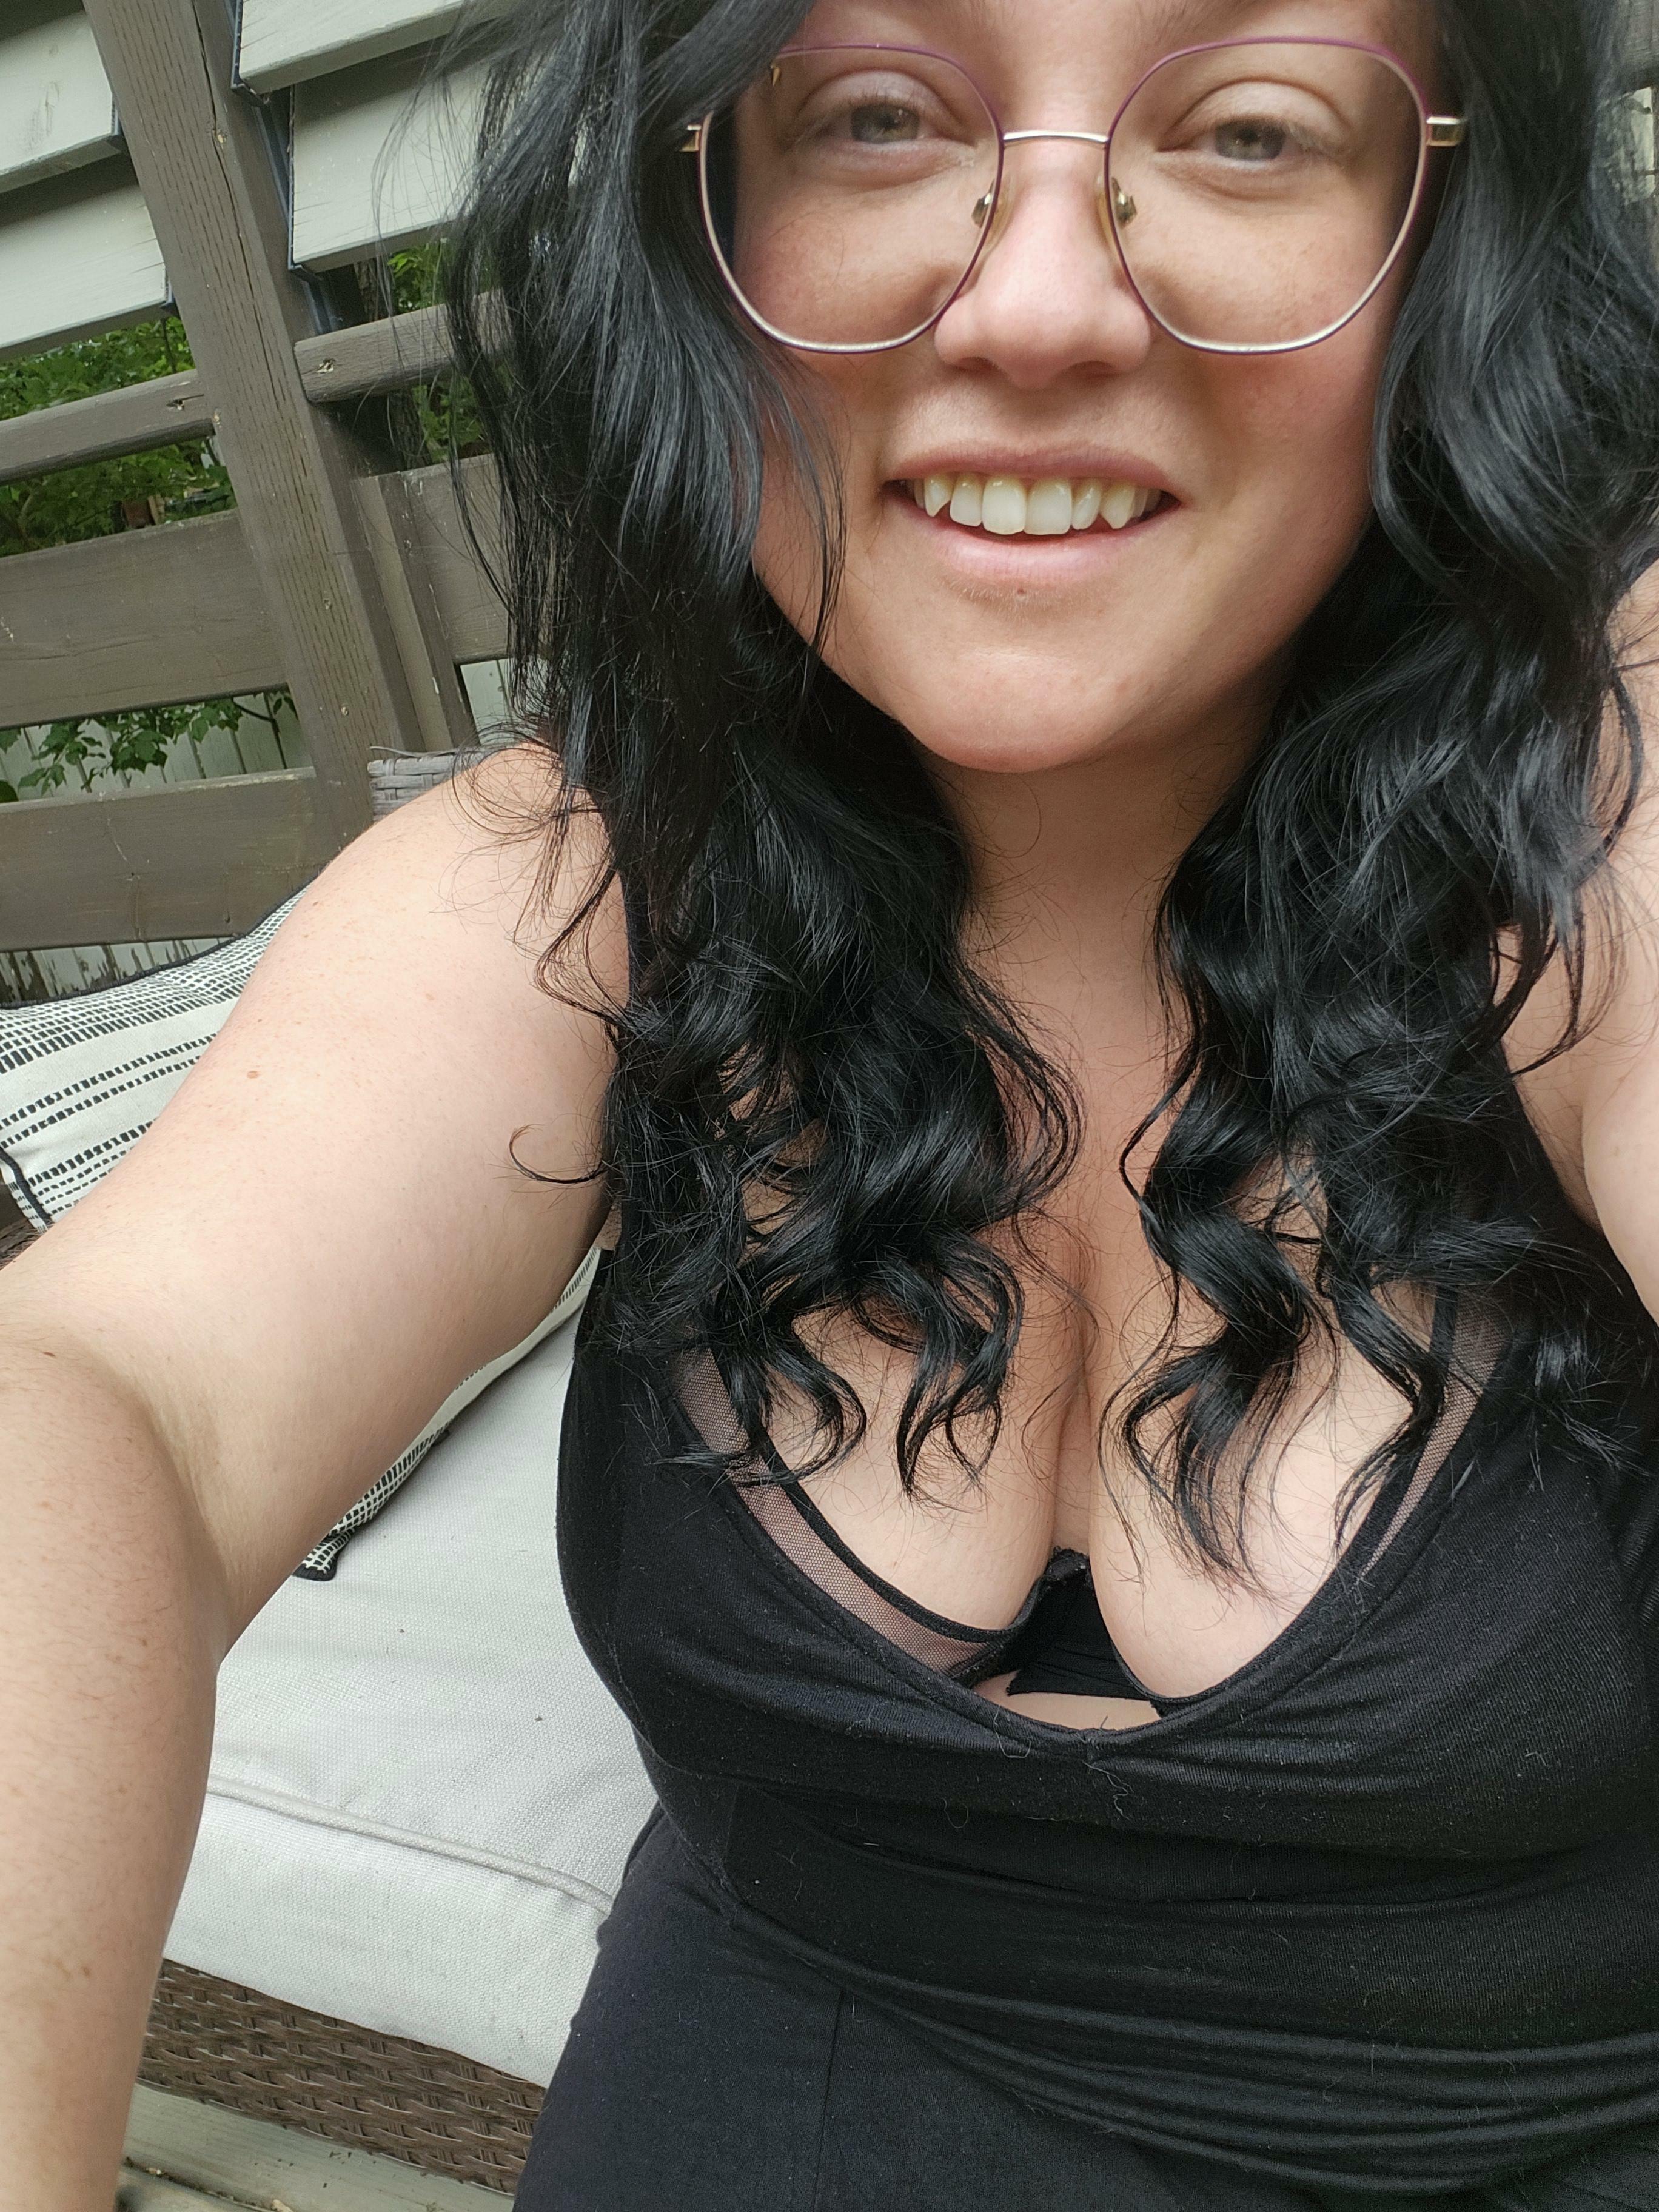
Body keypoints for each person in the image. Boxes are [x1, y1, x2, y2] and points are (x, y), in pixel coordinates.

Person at [5, 0, 1659, 2203]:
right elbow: (111, 1393)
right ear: (691, 222)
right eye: (876, 114)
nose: (1045, 302)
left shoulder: (1605, 799)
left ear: (1449, 247)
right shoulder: (590, 874)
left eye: (1254, 130)